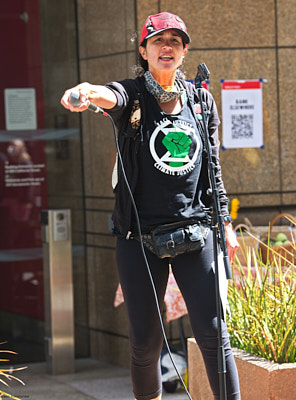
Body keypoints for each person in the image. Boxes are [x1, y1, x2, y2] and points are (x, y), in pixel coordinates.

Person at [61, 11, 241, 400]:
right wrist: (88, 91)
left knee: (214, 335)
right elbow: (111, 94)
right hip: (138, 236)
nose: (167, 47)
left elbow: (213, 168)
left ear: (184, 51)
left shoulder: (201, 100)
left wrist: (224, 222)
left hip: (196, 231)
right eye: (158, 41)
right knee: (145, 342)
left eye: (175, 41)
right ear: (144, 50)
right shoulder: (133, 95)